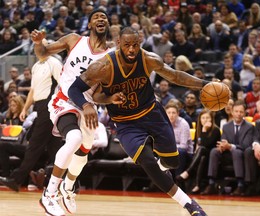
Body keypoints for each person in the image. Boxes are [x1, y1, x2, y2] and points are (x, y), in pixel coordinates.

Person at [68, 26, 211, 216]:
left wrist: (205, 85)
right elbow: (74, 89)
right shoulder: (104, 66)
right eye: (127, 45)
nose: (131, 50)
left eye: (135, 45)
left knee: (172, 162)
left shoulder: (148, 59)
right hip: (126, 123)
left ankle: (160, 171)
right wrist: (91, 105)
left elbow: (175, 76)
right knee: (147, 161)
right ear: (118, 43)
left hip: (152, 114)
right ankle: (190, 205)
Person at [30, 9, 115, 216]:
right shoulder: (74, 40)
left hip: (88, 107)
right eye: (96, 17)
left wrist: (110, 99)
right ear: (89, 25)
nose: (100, 19)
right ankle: (49, 194)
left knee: (83, 152)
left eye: (104, 17)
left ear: (108, 26)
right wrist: (39, 43)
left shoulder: (110, 56)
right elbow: (42, 54)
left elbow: (99, 95)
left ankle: (67, 188)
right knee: (74, 138)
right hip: (64, 99)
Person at [0, 40, 63, 193]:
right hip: (39, 106)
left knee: (34, 145)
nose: (40, 47)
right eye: (37, 45)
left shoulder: (54, 63)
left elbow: (63, 85)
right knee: (55, 147)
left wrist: (58, 107)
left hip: (51, 106)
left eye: (44, 44)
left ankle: (16, 179)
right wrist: (25, 109)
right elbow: (33, 91)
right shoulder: (35, 67)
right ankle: (67, 183)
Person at [201, 100, 254, 196]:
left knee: (236, 152)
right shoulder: (226, 126)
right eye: (236, 111)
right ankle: (211, 183)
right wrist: (222, 146)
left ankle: (240, 185)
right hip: (226, 155)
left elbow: (246, 145)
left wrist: (231, 146)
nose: (238, 114)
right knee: (214, 151)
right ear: (232, 112)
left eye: (241, 112)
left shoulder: (249, 127)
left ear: (245, 113)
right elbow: (223, 140)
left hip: (241, 155)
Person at [176, 109, 221, 194]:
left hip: (211, 158)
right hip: (201, 157)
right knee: (202, 157)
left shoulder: (216, 130)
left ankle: (187, 172)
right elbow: (197, 145)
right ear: (200, 119)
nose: (205, 120)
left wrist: (204, 131)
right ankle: (197, 185)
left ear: (211, 119)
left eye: (207, 118)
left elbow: (205, 144)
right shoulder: (198, 130)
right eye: (203, 118)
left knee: (202, 150)